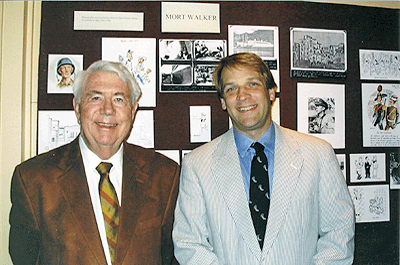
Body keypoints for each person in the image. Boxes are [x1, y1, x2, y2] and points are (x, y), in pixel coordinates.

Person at [173, 52, 355, 264]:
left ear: (271, 92)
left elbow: (339, 233)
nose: (242, 96)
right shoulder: (197, 164)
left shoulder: (318, 154)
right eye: (231, 89)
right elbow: (189, 244)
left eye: (252, 84)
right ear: (223, 102)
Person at [9, 61, 180, 265]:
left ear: (133, 111)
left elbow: (173, 257)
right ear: (77, 107)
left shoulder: (164, 175)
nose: (107, 110)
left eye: (119, 99)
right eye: (96, 97)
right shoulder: (33, 180)